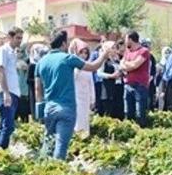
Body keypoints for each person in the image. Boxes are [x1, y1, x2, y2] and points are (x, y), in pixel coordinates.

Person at [35, 31, 114, 160]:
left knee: (48, 143)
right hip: (67, 109)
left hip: (49, 109)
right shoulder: (68, 58)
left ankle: (42, 170)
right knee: (61, 146)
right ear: (64, 43)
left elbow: (38, 89)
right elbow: (93, 66)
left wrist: (40, 111)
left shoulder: (41, 62)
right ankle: (57, 171)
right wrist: (104, 54)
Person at [0, 27, 24, 149]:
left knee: (4, 124)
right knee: (8, 125)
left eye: (21, 38)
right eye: (17, 38)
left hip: (13, 92)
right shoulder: (3, 51)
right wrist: (6, 92)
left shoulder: (12, 52)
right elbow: (0, 71)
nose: (20, 41)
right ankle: (1, 150)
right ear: (9, 37)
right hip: (6, 92)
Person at [120, 31, 151, 127]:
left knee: (139, 113)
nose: (125, 42)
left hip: (140, 86)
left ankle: (141, 133)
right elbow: (121, 64)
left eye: (126, 39)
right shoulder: (127, 52)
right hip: (128, 85)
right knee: (128, 112)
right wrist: (127, 65)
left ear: (130, 39)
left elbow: (135, 65)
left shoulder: (144, 51)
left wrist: (127, 65)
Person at [69, 39, 96, 136]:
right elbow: (73, 78)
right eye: (81, 52)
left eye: (86, 53)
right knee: (77, 118)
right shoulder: (73, 66)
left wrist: (92, 100)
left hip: (86, 97)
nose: (84, 55)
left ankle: (85, 137)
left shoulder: (88, 67)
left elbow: (91, 84)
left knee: (85, 119)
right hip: (75, 97)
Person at [98, 43, 126, 120]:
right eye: (112, 48)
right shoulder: (104, 60)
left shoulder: (117, 60)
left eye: (115, 48)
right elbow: (99, 73)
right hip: (108, 89)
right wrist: (111, 76)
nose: (114, 50)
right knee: (109, 113)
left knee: (119, 112)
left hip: (119, 88)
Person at [15, 44, 31, 122]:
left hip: (24, 93)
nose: (19, 53)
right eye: (17, 51)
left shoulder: (28, 61)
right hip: (14, 93)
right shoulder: (12, 61)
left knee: (24, 118)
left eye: (21, 51)